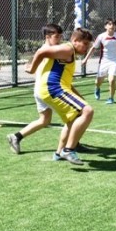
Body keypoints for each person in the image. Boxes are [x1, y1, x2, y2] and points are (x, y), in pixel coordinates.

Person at [24, 27, 94, 165]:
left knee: (73, 119)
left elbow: (66, 81)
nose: (87, 47)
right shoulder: (68, 49)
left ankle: (59, 152)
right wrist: (32, 69)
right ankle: (68, 150)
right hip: (52, 88)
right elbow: (42, 51)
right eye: (85, 44)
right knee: (87, 111)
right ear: (75, 40)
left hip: (55, 88)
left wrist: (79, 97)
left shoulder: (70, 52)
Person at [6, 23, 64, 155]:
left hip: (41, 90)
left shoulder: (47, 49)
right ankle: (71, 146)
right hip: (48, 91)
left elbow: (33, 63)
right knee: (72, 114)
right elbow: (33, 67)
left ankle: (16, 137)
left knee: (44, 120)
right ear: (48, 36)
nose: (60, 38)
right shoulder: (48, 51)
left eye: (61, 35)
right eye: (57, 36)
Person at [82, 18, 116, 104]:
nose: (112, 26)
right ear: (105, 26)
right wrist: (85, 59)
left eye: (114, 24)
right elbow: (93, 48)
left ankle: (111, 98)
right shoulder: (101, 36)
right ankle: (97, 88)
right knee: (98, 82)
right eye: (110, 24)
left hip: (114, 60)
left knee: (112, 80)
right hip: (103, 61)